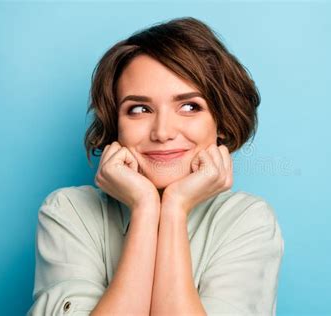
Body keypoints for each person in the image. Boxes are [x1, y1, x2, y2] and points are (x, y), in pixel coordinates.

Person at [28, 17, 284, 316]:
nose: (162, 132)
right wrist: (145, 208)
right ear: (116, 126)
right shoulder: (69, 210)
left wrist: (174, 208)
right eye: (139, 109)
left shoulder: (247, 221)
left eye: (190, 106)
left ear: (222, 123)